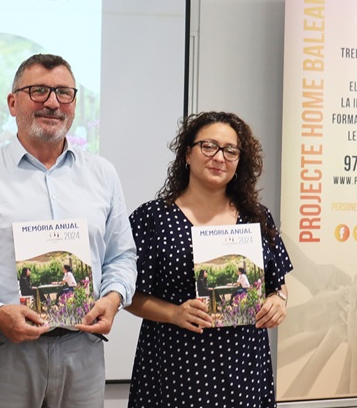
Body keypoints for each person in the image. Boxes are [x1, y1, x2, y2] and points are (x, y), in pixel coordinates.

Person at [0, 53, 137, 408]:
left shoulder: (103, 174)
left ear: (74, 104)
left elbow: (122, 256)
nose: (53, 103)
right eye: (39, 91)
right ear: (13, 103)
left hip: (82, 352)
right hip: (2, 352)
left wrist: (114, 298)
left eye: (64, 93)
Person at [125, 111, 293, 407]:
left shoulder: (257, 217)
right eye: (209, 146)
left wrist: (278, 301)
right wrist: (174, 313)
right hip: (175, 366)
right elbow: (125, 295)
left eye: (230, 151)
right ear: (187, 154)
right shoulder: (152, 218)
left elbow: (277, 285)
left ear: (239, 161)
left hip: (245, 367)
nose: (219, 157)